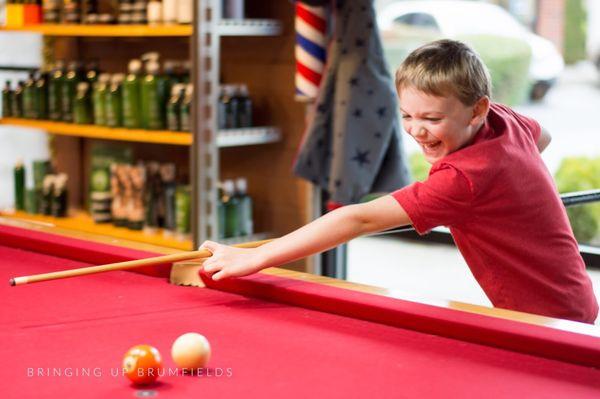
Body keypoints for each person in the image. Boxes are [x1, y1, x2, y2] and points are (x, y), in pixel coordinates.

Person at [200, 39, 598, 324]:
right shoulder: (503, 119)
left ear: (476, 109)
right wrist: (513, 196)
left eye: (432, 119)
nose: (417, 130)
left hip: (551, 321)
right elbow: (541, 137)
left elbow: (360, 220)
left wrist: (256, 256)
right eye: (407, 116)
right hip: (571, 299)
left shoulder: (463, 179)